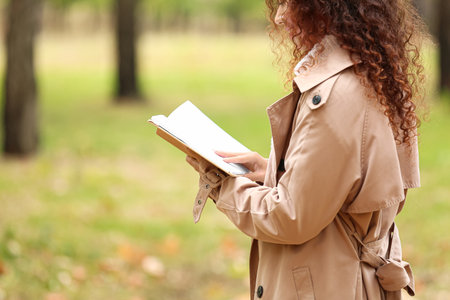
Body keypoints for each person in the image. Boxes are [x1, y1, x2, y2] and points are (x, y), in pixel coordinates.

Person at [186, 0, 428, 299]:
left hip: (325, 284)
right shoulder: (376, 75)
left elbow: (290, 217)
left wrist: (220, 181)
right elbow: (348, 189)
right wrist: (272, 170)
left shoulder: (336, 94)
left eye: (291, 3)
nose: (280, 16)